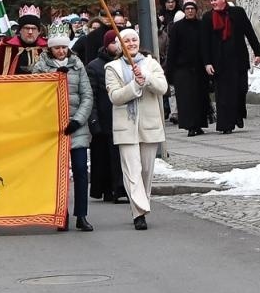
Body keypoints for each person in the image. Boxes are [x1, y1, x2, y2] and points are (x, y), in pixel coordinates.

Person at [105, 28, 168, 230]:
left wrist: (146, 79)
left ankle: (142, 203)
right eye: (126, 41)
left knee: (146, 170)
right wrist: (134, 85)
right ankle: (139, 213)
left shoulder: (151, 63)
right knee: (132, 170)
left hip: (150, 124)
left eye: (134, 40)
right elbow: (115, 97)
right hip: (126, 126)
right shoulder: (112, 68)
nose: (131, 43)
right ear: (120, 45)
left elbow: (163, 88)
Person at [35, 27, 93, 232]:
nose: (60, 51)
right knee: (58, 173)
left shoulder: (77, 65)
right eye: (56, 48)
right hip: (54, 128)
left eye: (63, 47)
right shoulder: (41, 67)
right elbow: (36, 97)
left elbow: (87, 95)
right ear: (50, 49)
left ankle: (81, 215)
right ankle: (62, 214)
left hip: (76, 126)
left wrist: (78, 120)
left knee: (80, 169)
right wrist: (53, 80)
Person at [200, 0, 260, 134]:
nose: (213, 3)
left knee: (241, 90)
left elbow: (250, 32)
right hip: (219, 62)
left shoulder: (238, 12)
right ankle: (225, 125)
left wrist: (258, 52)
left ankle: (238, 114)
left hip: (238, 59)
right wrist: (207, 62)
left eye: (215, 0)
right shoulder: (207, 17)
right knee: (222, 94)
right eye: (211, 0)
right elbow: (204, 43)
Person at [86, 31, 125, 204]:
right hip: (104, 116)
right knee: (104, 157)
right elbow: (91, 95)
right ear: (107, 44)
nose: (118, 46)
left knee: (119, 156)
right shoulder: (94, 66)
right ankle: (108, 189)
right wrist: (93, 119)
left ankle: (120, 188)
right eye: (114, 42)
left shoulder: (125, 63)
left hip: (122, 116)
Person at [166, 0, 208, 135]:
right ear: (184, 11)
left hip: (199, 68)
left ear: (196, 10)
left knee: (200, 97)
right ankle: (190, 125)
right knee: (186, 98)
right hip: (182, 68)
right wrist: (169, 72)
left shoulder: (202, 25)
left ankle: (199, 124)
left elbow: (206, 47)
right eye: (187, 9)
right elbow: (172, 50)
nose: (190, 11)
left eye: (192, 8)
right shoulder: (177, 27)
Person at [0, 7, 47, 75]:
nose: (30, 32)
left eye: (33, 28)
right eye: (27, 28)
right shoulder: (7, 49)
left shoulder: (46, 49)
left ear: (39, 31)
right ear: (20, 30)